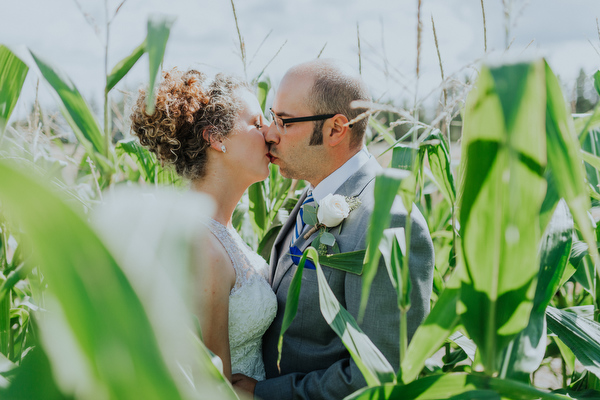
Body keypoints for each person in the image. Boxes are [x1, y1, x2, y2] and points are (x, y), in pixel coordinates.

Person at [232, 59, 435, 399]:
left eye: (285, 121)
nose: (269, 132)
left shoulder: (387, 220)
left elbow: (380, 374)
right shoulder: (314, 193)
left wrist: (265, 394)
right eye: (272, 116)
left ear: (336, 129)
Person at [129, 68, 277, 383]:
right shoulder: (203, 246)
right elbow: (212, 384)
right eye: (255, 123)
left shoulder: (222, 232)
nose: (269, 133)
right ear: (216, 138)